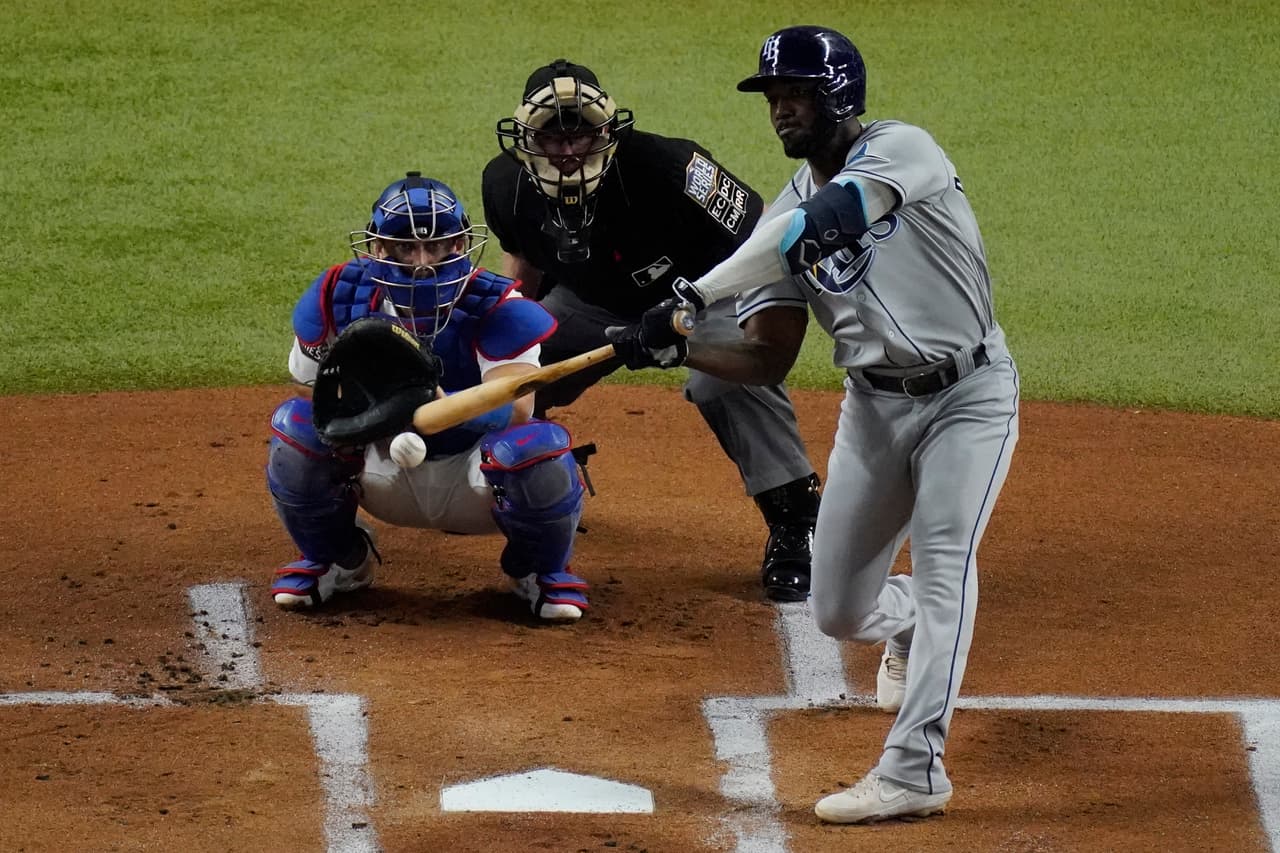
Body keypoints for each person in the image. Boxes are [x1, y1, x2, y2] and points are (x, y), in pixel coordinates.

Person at [607, 26, 1020, 823]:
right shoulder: (782, 213)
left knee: (946, 569)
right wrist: (673, 341)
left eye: (795, 92)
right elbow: (764, 357)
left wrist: (689, 299)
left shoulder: (905, 151)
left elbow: (824, 225)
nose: (781, 109)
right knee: (837, 609)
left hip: (968, 397)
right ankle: (908, 626)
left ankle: (914, 771)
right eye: (772, 96)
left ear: (840, 95)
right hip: (874, 409)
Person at [480, 59, 822, 603]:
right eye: (552, 135)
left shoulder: (669, 167)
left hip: (706, 293)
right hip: (593, 302)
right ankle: (523, 483)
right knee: (511, 368)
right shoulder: (505, 183)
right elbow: (524, 270)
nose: (568, 150)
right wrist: (508, 344)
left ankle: (796, 524)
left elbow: (763, 241)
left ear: (608, 130)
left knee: (724, 383)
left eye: (582, 133)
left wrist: (695, 317)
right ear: (526, 137)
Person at [266, 171, 591, 622]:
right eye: (405, 246)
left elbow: (518, 407)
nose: (422, 261)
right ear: (379, 247)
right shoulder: (341, 294)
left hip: (472, 475)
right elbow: (308, 384)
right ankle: (338, 561)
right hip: (379, 468)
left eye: (437, 245)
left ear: (459, 244)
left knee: (539, 447)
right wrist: (369, 410)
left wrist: (437, 402)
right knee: (296, 427)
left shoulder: (497, 306)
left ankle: (536, 570)